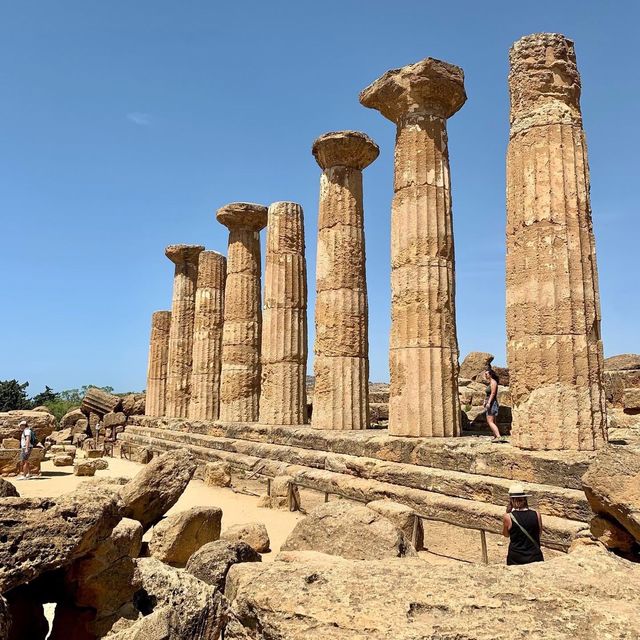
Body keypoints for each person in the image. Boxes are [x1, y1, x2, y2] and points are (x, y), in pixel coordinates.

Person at [502, 483, 544, 565]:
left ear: (511, 500)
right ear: (524, 499)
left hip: (516, 557)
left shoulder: (508, 517)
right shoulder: (537, 514)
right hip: (534, 555)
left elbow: (506, 534)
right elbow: (539, 533)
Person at [483, 366, 502, 441]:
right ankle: (495, 436)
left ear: (490, 374)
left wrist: (489, 403)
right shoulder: (491, 382)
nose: (485, 375)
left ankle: (498, 436)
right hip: (490, 402)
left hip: (492, 403)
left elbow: (493, 393)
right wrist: (485, 401)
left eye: (486, 374)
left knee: (490, 421)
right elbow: (488, 394)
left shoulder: (493, 382)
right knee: (493, 421)